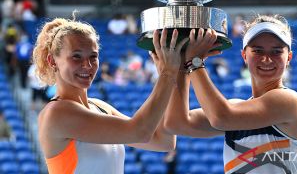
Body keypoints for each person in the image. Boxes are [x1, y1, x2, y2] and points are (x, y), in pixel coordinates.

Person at [34, 16, 188, 174]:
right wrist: (168, 73)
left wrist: (178, 71)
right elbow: (140, 132)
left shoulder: (100, 107)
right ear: (52, 61)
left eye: (93, 57)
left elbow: (163, 141)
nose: (87, 65)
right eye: (76, 56)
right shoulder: (56, 113)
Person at [165, 15, 297, 173]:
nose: (267, 59)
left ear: (289, 57)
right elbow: (176, 123)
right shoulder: (235, 108)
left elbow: (220, 117)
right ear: (244, 56)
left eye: (276, 51)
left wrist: (194, 61)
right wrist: (180, 64)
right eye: (257, 50)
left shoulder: (290, 101)